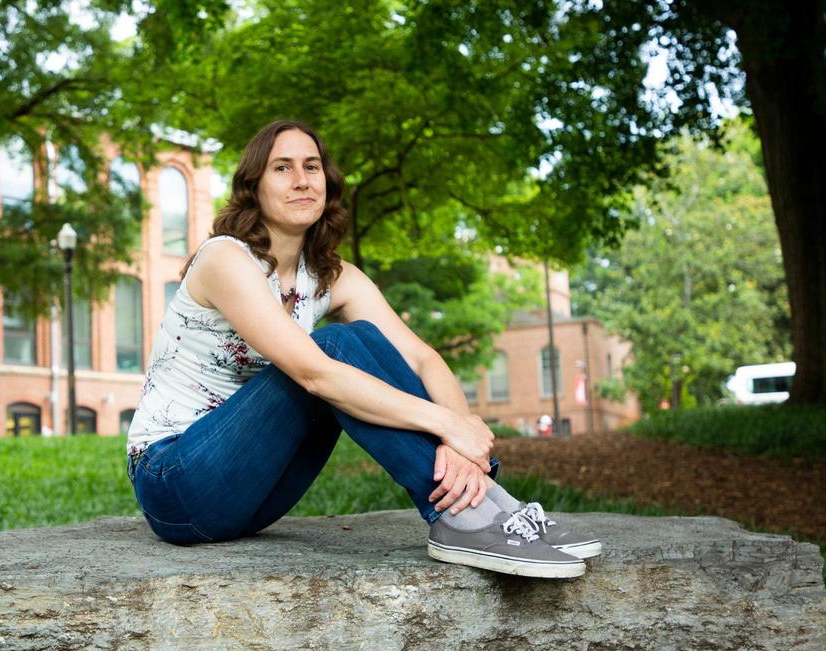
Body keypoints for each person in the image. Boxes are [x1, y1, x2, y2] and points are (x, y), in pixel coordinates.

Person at [125, 120, 600, 578]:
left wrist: (462, 447)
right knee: (331, 347)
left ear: (328, 183)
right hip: (174, 481)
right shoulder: (224, 259)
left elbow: (423, 359)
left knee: (362, 341)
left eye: (312, 167)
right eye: (282, 168)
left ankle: (485, 501)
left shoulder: (332, 276)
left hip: (250, 491)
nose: (301, 180)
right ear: (255, 185)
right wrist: (446, 423)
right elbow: (315, 374)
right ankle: (462, 516)